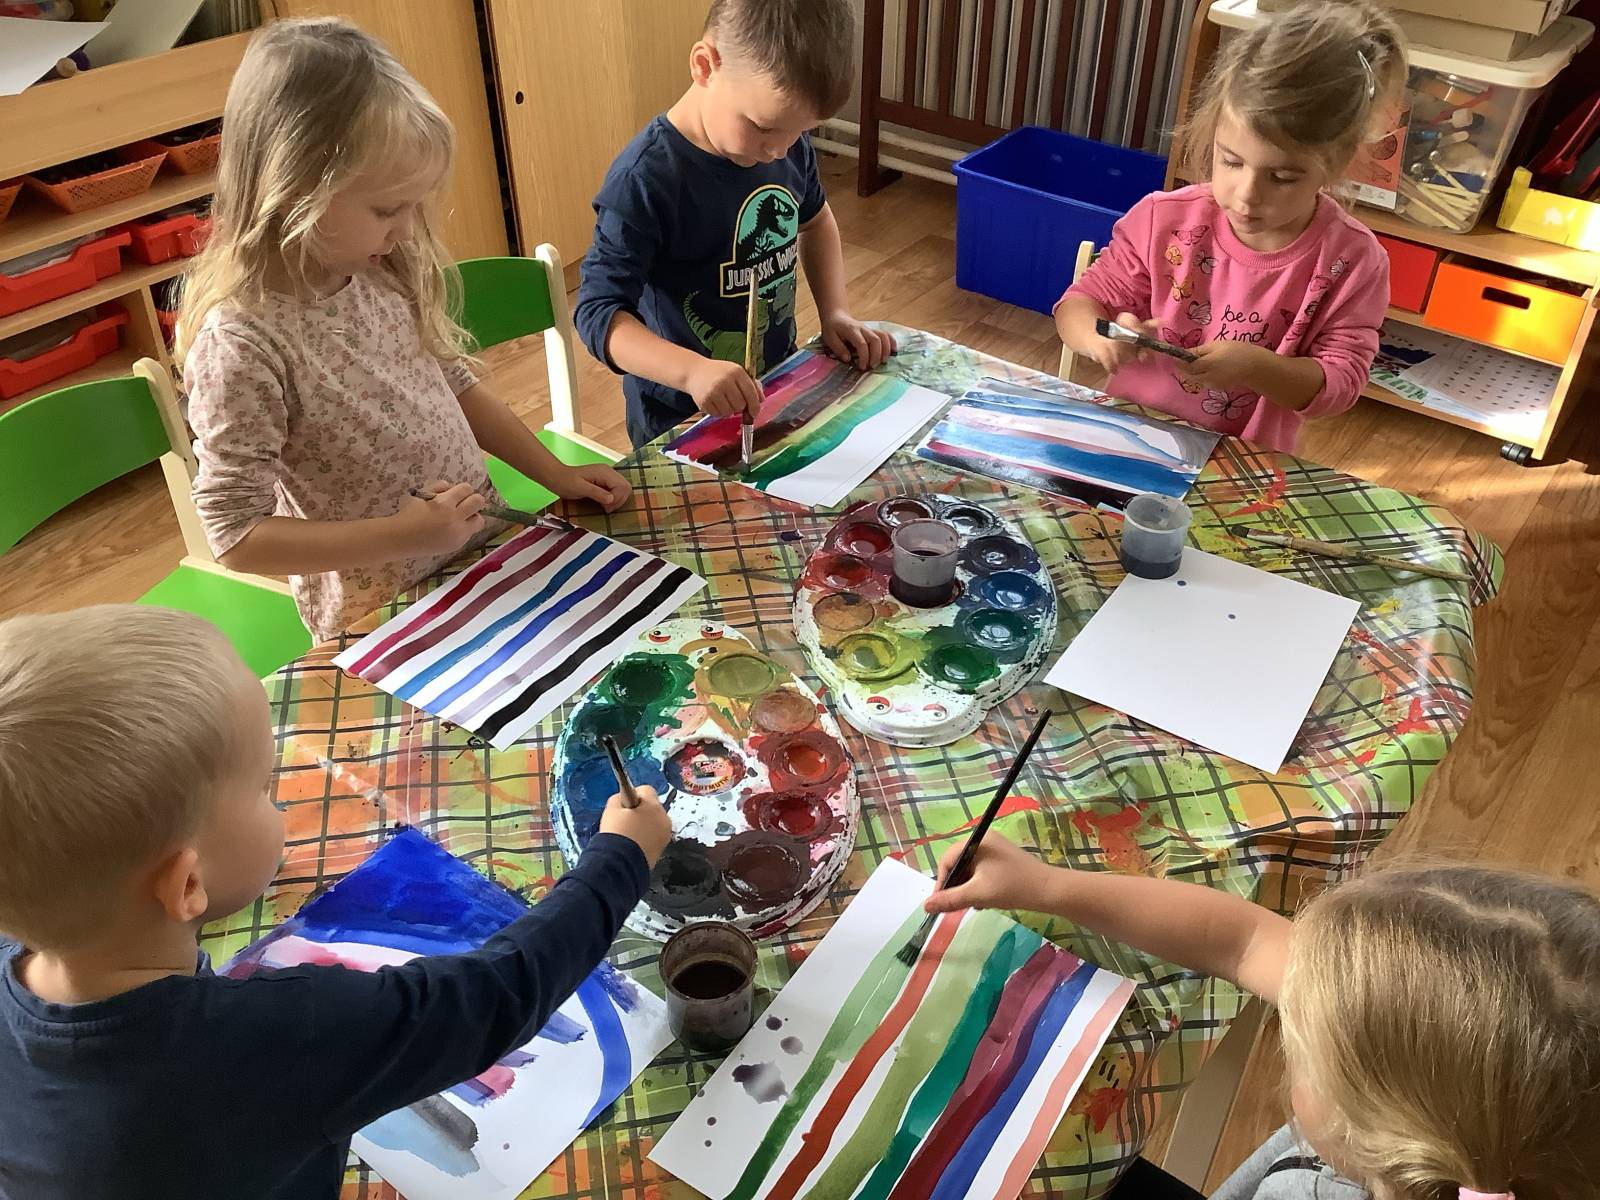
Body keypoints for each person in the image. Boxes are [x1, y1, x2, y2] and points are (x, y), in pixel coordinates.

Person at [0, 605, 673, 1199]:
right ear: (187, 887)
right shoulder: (273, 1040)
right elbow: (498, 997)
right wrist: (620, 856)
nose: (284, 799)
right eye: (265, 787)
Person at [176, 20, 632, 643]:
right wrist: (405, 534)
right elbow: (235, 536)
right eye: (388, 208)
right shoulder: (243, 345)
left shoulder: (380, 267)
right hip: (384, 617)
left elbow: (455, 385)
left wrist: (557, 474)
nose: (408, 228)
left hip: (476, 559)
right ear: (294, 188)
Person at [924, 836, 1600, 1200]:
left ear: (1389, 1139)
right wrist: (1046, 886)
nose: (1290, 1022)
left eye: (1305, 1049)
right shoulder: (1460, 1085)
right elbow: (1245, 940)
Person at [1056, 0, 1405, 452]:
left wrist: (1257, 368)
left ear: (1339, 163)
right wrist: (1100, 337)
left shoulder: (1352, 260)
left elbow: (1341, 383)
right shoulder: (1164, 220)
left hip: (1240, 460)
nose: (1246, 195)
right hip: (1129, 435)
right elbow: (1078, 305)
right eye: (1232, 162)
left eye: (1283, 177)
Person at [574, 0, 895, 449]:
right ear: (705, 66)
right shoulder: (645, 180)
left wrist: (835, 312)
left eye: (801, 132)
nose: (780, 150)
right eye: (764, 127)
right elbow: (598, 313)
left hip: (776, 389)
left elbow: (817, 220)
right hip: (680, 421)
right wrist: (692, 372)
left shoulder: (786, 145)